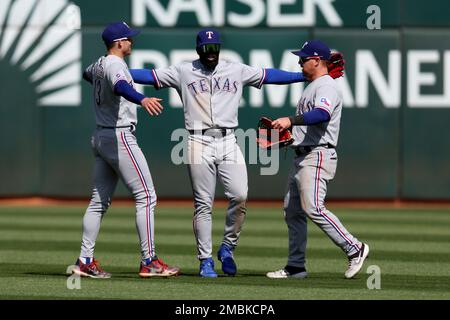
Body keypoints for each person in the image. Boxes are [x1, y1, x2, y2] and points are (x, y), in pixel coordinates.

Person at [129, 29, 344, 278]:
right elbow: (147, 75)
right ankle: (205, 260)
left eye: (215, 48)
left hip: (229, 139)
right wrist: (117, 72)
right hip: (198, 139)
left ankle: (228, 246)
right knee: (203, 204)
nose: (212, 53)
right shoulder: (183, 70)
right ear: (199, 49)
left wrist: (302, 76)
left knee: (240, 195)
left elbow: (269, 75)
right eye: (207, 48)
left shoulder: (235, 69)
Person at [72, 21, 180, 279]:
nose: (132, 41)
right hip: (119, 135)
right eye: (128, 39)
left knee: (98, 202)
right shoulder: (116, 64)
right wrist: (141, 98)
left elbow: (87, 75)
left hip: (101, 135)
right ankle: (149, 261)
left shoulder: (99, 63)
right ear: (118, 43)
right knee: (146, 195)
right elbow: (121, 86)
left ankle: (84, 260)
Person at [267, 40, 369, 279]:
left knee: (313, 207)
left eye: (303, 59)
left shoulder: (326, 86)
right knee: (292, 211)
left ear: (316, 61)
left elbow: (321, 114)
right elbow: (310, 125)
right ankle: (296, 266)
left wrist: (290, 121)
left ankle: (354, 247)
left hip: (318, 154)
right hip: (303, 154)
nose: (300, 62)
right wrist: (289, 138)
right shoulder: (313, 86)